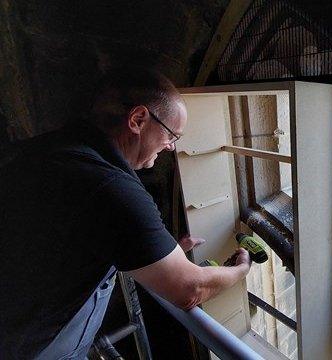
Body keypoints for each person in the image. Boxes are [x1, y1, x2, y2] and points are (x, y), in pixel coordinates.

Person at [0, 68, 251, 359]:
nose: (170, 147)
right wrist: (239, 271)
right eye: (172, 135)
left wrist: (158, 254)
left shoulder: (49, 148)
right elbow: (189, 290)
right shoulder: (112, 188)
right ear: (138, 120)